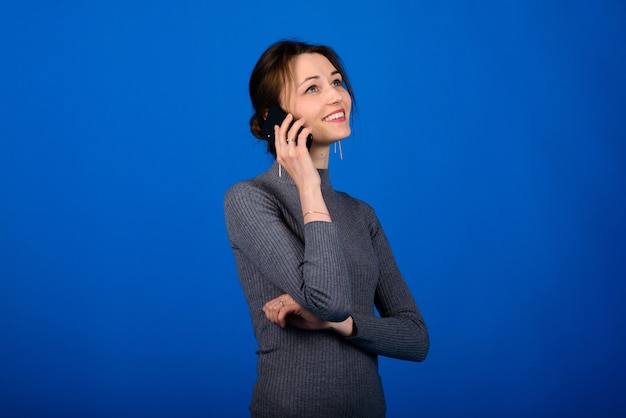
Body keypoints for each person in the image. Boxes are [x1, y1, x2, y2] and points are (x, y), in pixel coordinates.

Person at [223, 39, 429, 418]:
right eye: (313, 88)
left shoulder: (360, 213)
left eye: (337, 82)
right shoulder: (249, 199)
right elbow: (328, 299)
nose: (335, 96)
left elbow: (416, 338)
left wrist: (344, 325)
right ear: (274, 117)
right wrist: (308, 186)